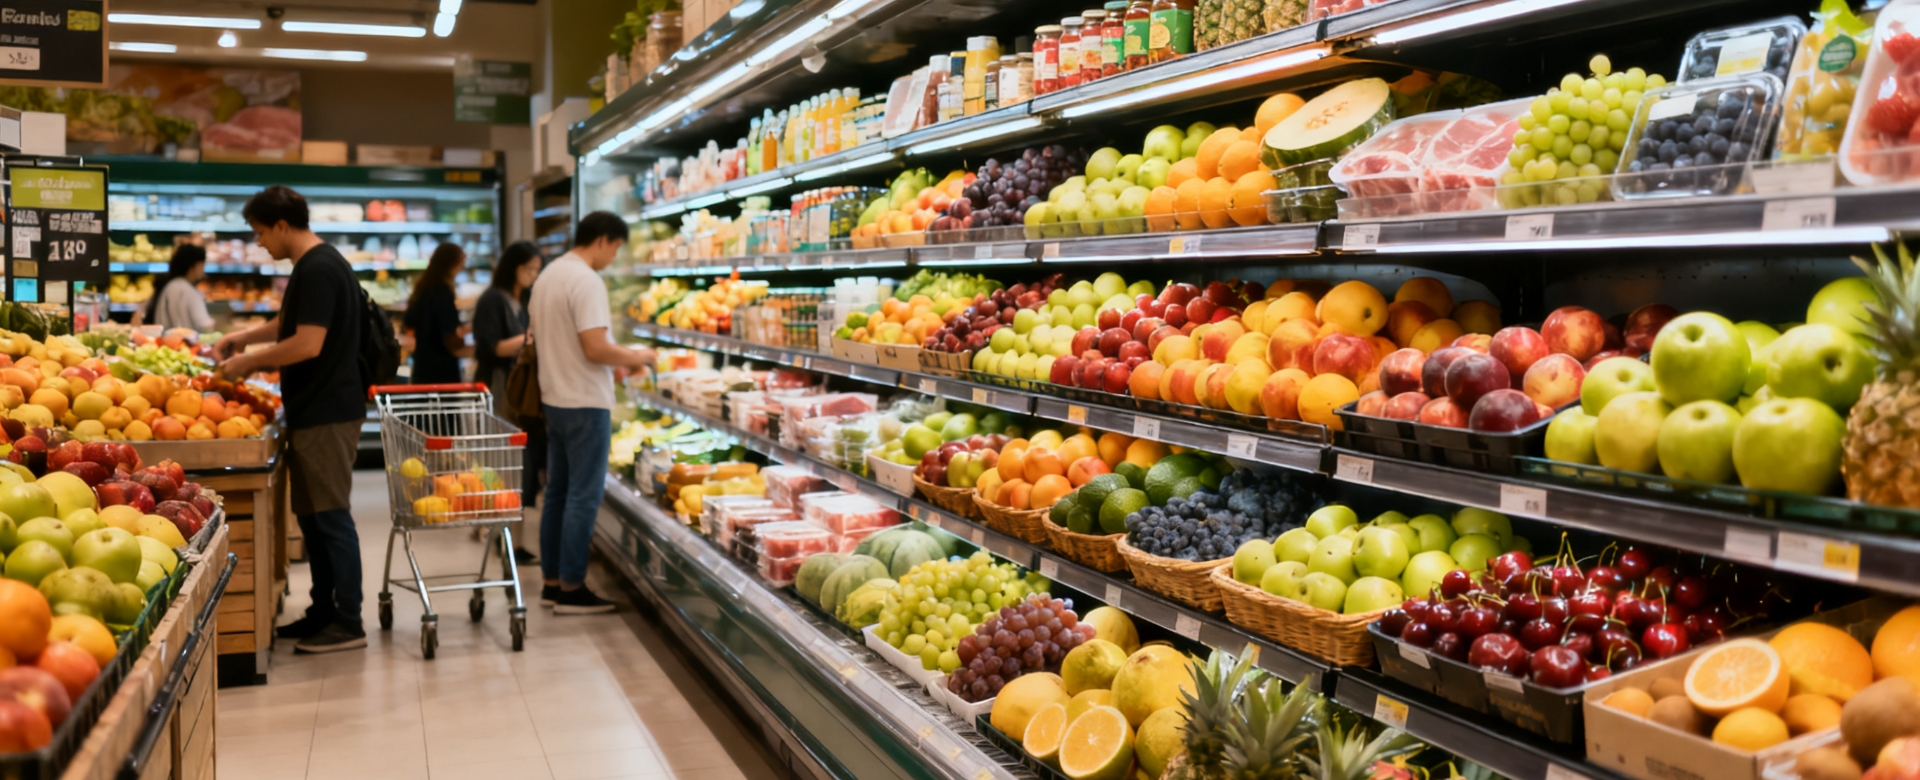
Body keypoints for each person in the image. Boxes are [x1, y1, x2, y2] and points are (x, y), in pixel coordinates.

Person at [214, 185, 368, 654]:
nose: (259, 242)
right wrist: (246, 337)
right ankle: (324, 610)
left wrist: (248, 363)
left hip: (328, 409)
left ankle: (348, 620)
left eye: (261, 233)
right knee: (315, 515)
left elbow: (308, 344)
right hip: (314, 408)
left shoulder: (319, 268)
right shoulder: (315, 265)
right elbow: (291, 327)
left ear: (283, 225)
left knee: (331, 515)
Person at [530, 211, 653, 614]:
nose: (613, 258)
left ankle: (552, 582)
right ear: (602, 240)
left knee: (559, 494)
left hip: (555, 398)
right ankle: (572, 587)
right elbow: (594, 347)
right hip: (585, 401)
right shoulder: (586, 280)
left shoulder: (547, 276)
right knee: (583, 495)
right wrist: (639, 356)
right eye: (615, 247)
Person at [472, 240, 543, 566]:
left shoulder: (522, 299)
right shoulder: (492, 300)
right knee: (503, 464)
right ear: (516, 268)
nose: (534, 275)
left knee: (515, 466)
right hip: (500, 391)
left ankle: (513, 541)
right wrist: (529, 339)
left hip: (516, 392)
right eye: (531, 269)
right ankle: (502, 537)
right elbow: (490, 347)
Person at [404, 243, 470, 385]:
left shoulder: (422, 289)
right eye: (462, 262)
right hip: (442, 370)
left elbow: (409, 322)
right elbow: (449, 333)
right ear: (453, 264)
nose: (463, 267)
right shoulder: (443, 293)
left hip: (422, 367)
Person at [135, 244, 215, 332]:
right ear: (196, 265)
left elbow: (141, 313)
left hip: (164, 341)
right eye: (203, 264)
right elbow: (204, 325)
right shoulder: (188, 291)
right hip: (186, 343)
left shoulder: (167, 286)